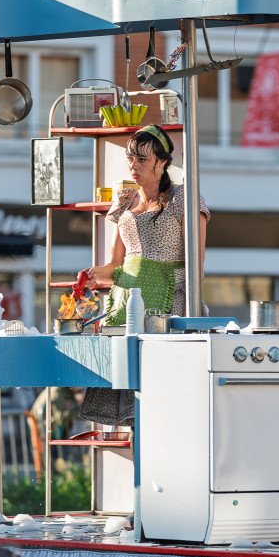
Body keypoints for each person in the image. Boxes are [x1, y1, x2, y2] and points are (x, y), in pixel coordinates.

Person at [77, 124, 210, 427]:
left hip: (168, 305)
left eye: (142, 159)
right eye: (131, 159)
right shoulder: (125, 201)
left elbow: (196, 267)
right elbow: (115, 265)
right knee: (129, 403)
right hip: (124, 306)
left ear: (162, 162)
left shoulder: (184, 198)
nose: (134, 166)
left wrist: (182, 309)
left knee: (163, 400)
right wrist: (92, 274)